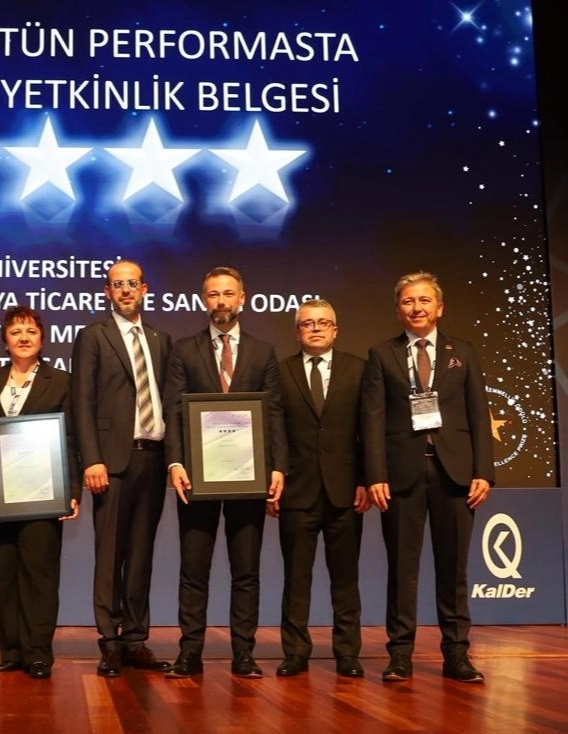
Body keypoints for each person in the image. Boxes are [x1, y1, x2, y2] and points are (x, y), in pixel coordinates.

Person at [362, 271, 494, 684]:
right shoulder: (381, 354)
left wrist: (483, 472)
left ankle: (456, 654)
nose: (416, 308)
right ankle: (400, 654)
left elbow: (479, 413)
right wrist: (375, 474)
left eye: (423, 300)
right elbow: (372, 419)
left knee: (453, 570)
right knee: (402, 569)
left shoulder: (463, 352)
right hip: (401, 475)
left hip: (455, 474)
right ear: (398, 309)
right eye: (408, 301)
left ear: (439, 307)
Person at [163, 266, 289, 679]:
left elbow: (274, 413)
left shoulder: (262, 352)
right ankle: (190, 653)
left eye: (228, 293)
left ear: (242, 299)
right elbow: (173, 411)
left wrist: (278, 467)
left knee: (246, 571)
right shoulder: (184, 350)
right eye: (214, 294)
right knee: (193, 571)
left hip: (248, 477)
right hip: (196, 478)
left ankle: (244, 654)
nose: (221, 301)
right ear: (205, 300)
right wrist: (175, 462)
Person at [0, 305, 81, 680]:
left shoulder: (60, 381)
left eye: (30, 331)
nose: (24, 337)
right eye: (16, 332)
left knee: (39, 575)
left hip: (43, 491)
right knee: (4, 573)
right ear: (5, 341)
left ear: (42, 339)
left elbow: (73, 439)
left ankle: (39, 653)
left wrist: (72, 490)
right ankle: (12, 651)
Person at [70, 259, 173, 677]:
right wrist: (91, 458)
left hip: (153, 458)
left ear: (145, 288)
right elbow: (82, 401)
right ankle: (109, 643)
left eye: (132, 283)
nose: (126, 290)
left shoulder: (161, 339)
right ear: (108, 292)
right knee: (110, 556)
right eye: (118, 284)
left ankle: (135, 639)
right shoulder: (93, 336)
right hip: (110, 462)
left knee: (142, 555)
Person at [272, 299, 370, 679]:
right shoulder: (281, 372)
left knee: (346, 579)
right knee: (296, 579)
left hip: (345, 491)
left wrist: (365, 479)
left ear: (335, 330)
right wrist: (274, 479)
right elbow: (274, 432)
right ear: (297, 332)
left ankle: (347, 653)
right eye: (307, 324)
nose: (315, 329)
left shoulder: (358, 370)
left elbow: (368, 430)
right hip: (297, 492)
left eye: (323, 323)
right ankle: (295, 652)